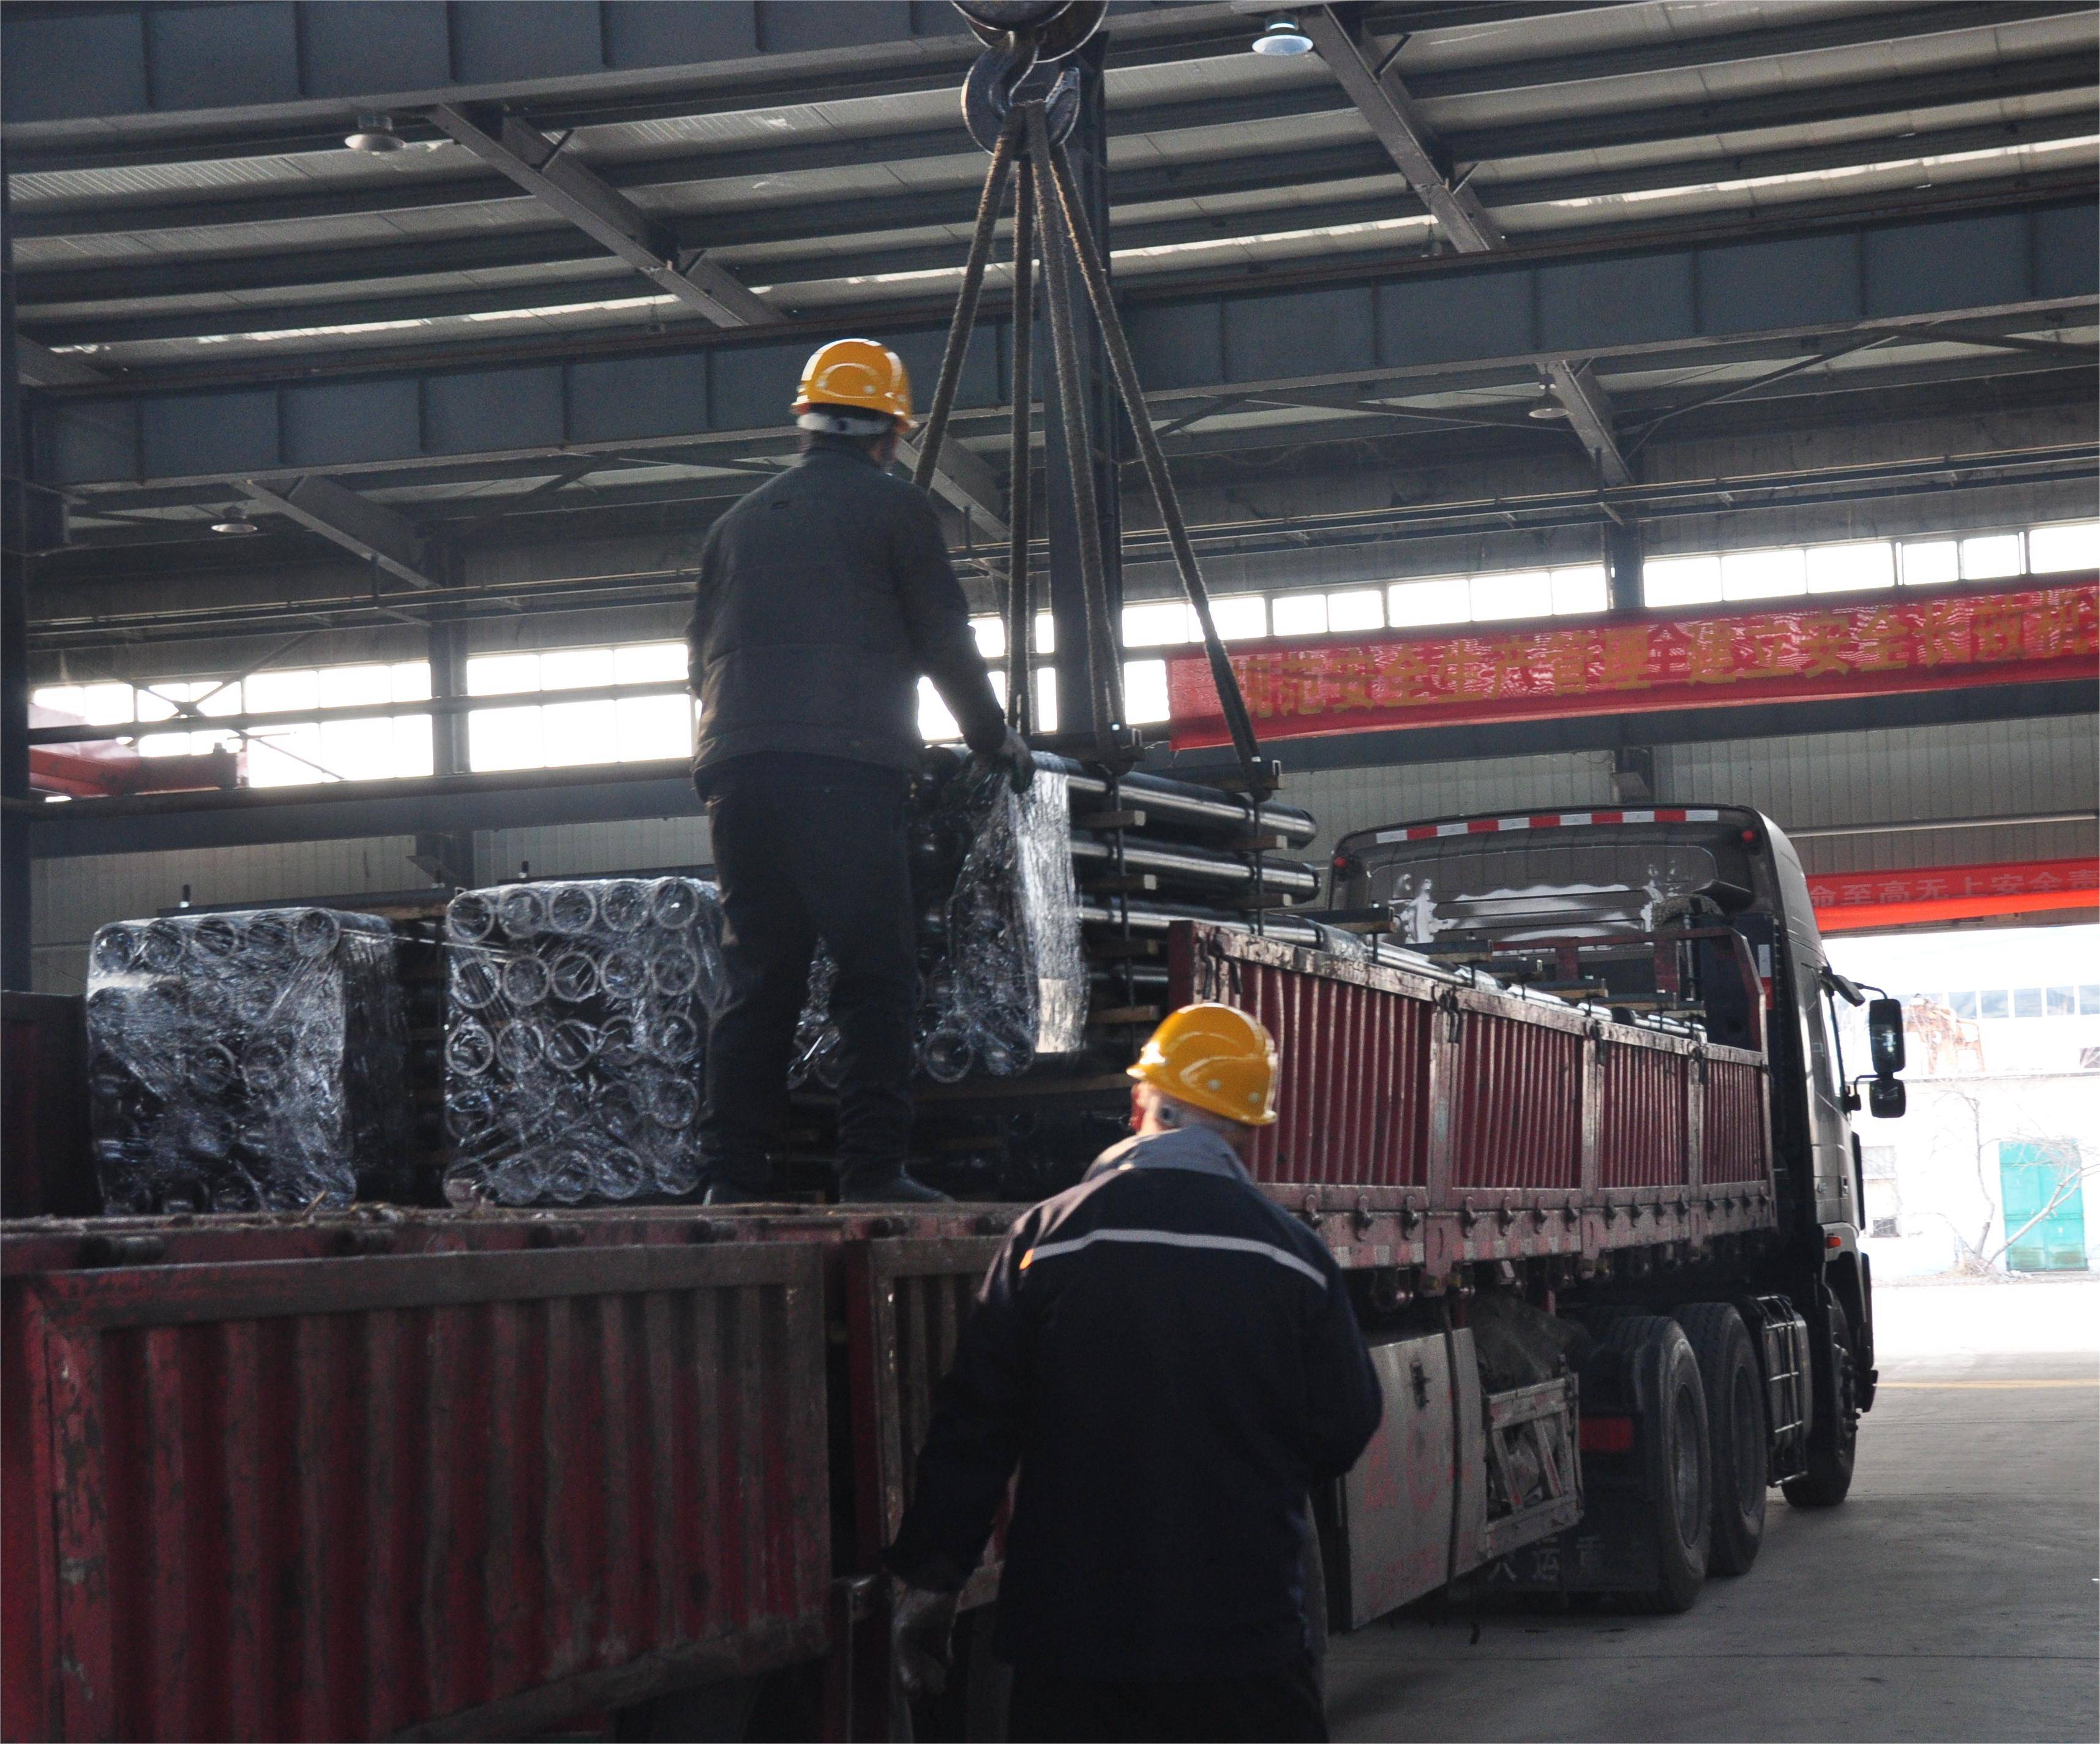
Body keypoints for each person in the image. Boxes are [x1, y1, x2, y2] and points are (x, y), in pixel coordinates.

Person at [883, 1004, 1384, 1742]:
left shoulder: (1046, 1240)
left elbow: (975, 1428)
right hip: (1243, 1644)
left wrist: (933, 1579)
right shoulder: (1293, 1257)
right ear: (1248, 1130)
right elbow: (1345, 1424)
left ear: (1139, 1103)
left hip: (1074, 1648)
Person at [687, 337, 1032, 1205]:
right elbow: (942, 638)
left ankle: (731, 1180)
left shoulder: (735, 525)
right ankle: (871, 1172)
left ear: (806, 424)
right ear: (890, 433)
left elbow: (700, 660)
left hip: (736, 772)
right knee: (874, 973)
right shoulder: (895, 511)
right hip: (841, 774)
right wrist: (993, 739)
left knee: (758, 976)